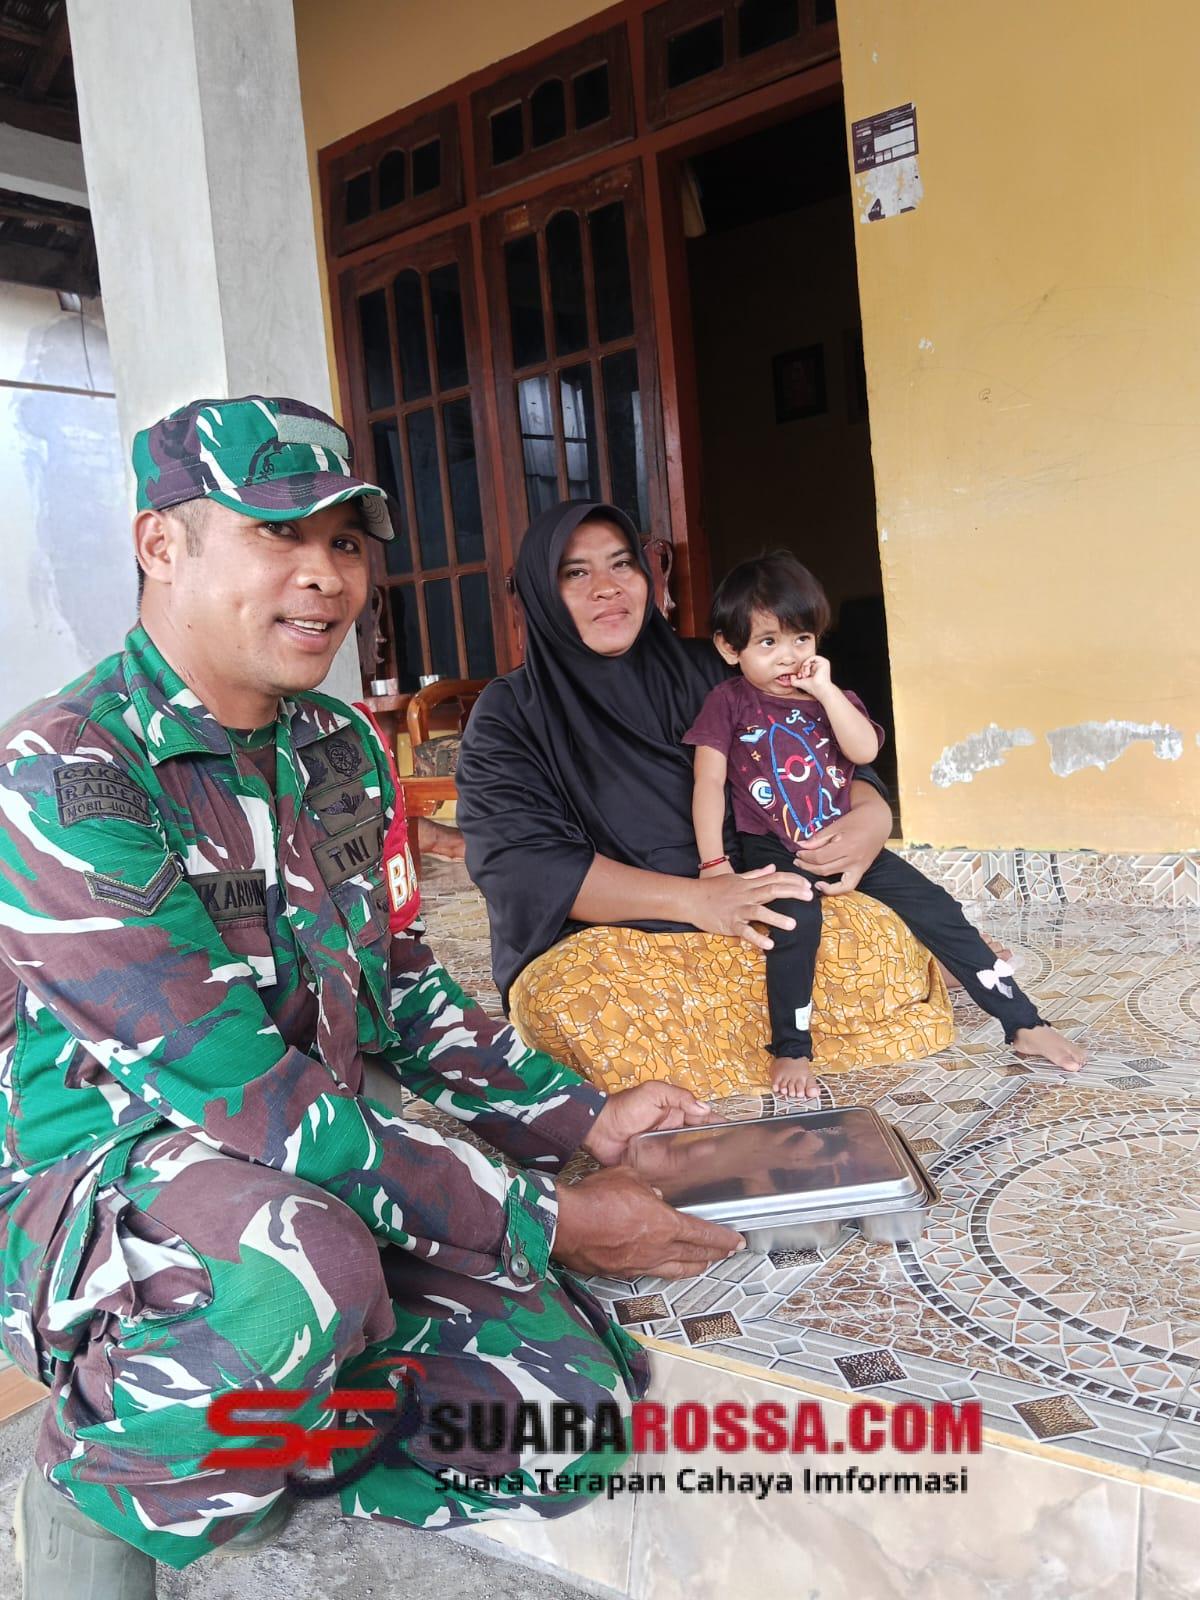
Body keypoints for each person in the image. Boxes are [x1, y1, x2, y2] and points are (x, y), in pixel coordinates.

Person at [0, 398, 743, 1597]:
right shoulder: (67, 773)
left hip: (301, 1170)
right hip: (97, 1187)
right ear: (162, 545)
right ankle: (97, 1488)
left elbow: (396, 982)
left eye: (345, 541)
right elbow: (251, 1097)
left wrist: (583, 1118)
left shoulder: (336, 744)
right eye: (278, 534)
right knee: (299, 1265)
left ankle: (254, 1444)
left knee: (568, 1414)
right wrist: (547, 1215)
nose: (325, 576)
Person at [456, 501, 957, 1100]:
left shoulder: (712, 672)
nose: (607, 587)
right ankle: (786, 1038)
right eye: (576, 572)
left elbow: (821, 745)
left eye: (622, 564)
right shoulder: (509, 714)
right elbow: (522, 864)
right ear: (541, 593)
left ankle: (752, 1048)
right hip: (620, 935)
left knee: (869, 935)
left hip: (752, 900)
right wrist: (697, 900)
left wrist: (872, 815)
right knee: (574, 1000)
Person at [686, 552, 1087, 1098]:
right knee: (797, 924)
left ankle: (1024, 1023)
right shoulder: (728, 703)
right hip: (774, 849)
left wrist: (826, 692)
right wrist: (714, 864)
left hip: (847, 841)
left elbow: (864, 750)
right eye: (768, 642)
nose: (789, 656)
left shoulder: (834, 699)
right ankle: (791, 1050)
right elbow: (708, 783)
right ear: (729, 648)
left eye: (801, 639)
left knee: (938, 907)